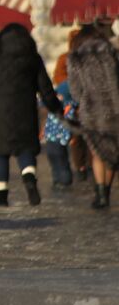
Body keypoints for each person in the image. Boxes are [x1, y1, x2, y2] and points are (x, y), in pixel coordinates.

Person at [0, 24, 63, 206]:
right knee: (25, 148)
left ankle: (1, 194)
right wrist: (55, 106)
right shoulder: (32, 58)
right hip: (25, 109)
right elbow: (44, 87)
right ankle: (29, 177)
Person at [64, 25, 119, 209]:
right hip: (114, 107)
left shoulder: (76, 57)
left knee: (96, 152)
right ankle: (106, 192)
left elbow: (75, 89)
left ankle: (100, 192)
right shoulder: (110, 52)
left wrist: (82, 101)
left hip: (91, 109)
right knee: (111, 152)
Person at [42, 47, 77, 191]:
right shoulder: (66, 85)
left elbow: (51, 100)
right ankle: (60, 178)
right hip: (56, 124)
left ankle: (63, 179)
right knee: (56, 153)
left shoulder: (67, 85)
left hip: (60, 124)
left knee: (56, 153)